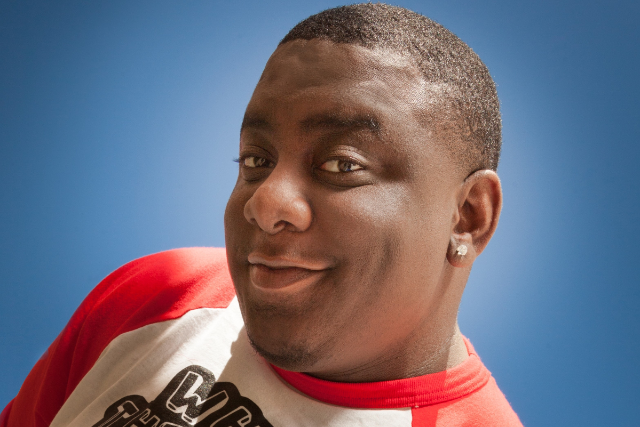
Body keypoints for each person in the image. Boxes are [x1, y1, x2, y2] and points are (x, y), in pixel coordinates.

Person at [0, 4, 523, 426]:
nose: (266, 203)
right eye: (256, 160)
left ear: (468, 218)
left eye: (342, 164)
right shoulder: (159, 297)